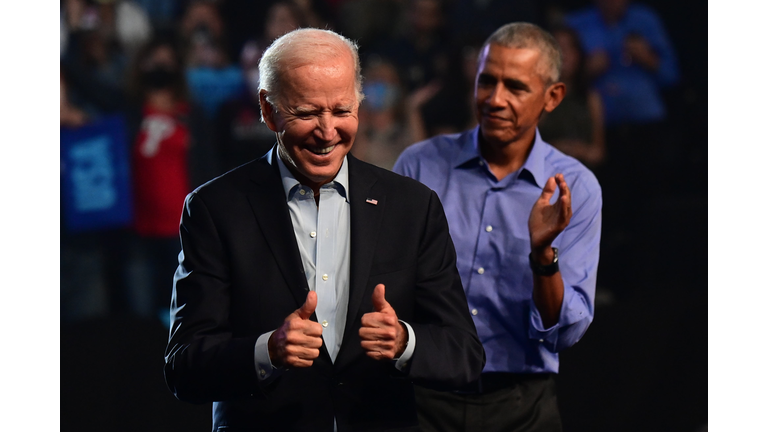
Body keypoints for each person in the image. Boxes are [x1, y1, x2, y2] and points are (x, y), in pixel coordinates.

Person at [163, 28, 485, 431]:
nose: (328, 131)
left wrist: (404, 342)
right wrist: (268, 352)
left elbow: (465, 356)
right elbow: (184, 367)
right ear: (268, 110)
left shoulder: (413, 207)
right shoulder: (214, 209)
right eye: (307, 113)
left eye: (342, 110)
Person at [394, 22, 602, 431]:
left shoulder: (574, 188)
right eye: (486, 81)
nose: (495, 99)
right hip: (421, 397)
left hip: (522, 405)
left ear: (553, 96)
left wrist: (544, 256)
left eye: (516, 87)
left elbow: (565, 331)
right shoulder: (420, 164)